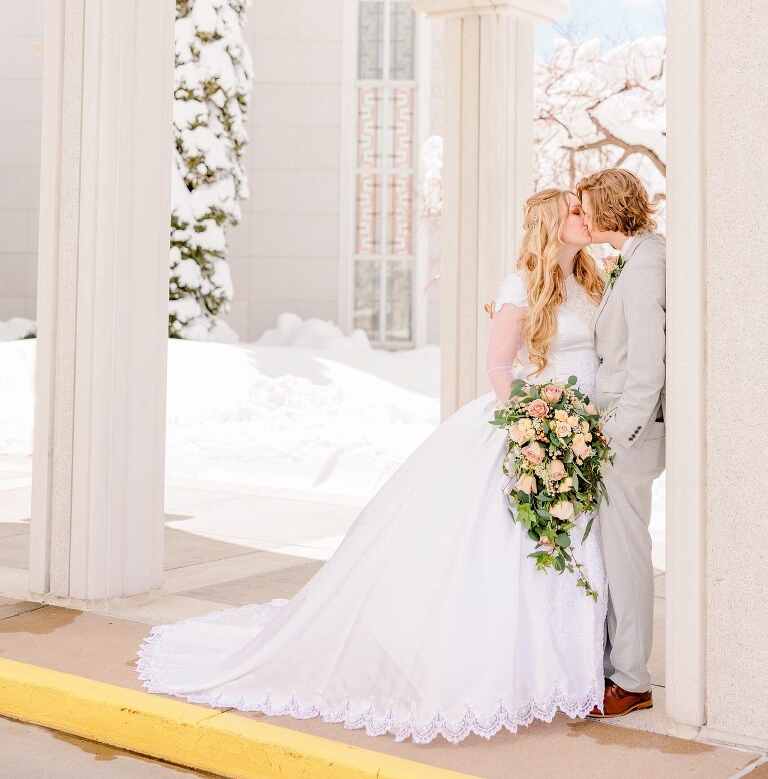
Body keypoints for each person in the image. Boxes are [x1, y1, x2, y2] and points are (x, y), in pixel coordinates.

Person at [137, 188, 607, 745]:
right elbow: (499, 365)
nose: (585, 215)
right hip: (535, 429)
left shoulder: (593, 279)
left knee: (573, 548)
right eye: (575, 210)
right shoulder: (520, 286)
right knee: (508, 549)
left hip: (581, 434)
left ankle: (572, 668)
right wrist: (534, 422)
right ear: (551, 223)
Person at [577, 169, 666, 720]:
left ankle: (631, 679)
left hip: (628, 436)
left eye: (588, 208)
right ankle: (616, 666)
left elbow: (648, 362)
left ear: (609, 210)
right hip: (619, 430)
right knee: (616, 552)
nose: (583, 218)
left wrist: (618, 430)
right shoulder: (633, 258)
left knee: (629, 557)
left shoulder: (644, 263)